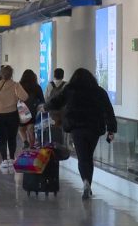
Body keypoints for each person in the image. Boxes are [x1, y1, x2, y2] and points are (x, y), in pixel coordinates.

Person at [46, 68, 117, 200]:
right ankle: (88, 183)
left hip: (77, 128)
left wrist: (45, 107)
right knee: (88, 156)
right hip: (94, 128)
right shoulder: (99, 91)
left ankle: (85, 182)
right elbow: (108, 110)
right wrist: (111, 129)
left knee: (82, 156)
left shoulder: (70, 90)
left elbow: (57, 101)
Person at [0, 65, 28, 172]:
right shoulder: (15, 85)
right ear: (11, 74)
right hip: (12, 115)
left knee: (2, 138)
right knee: (12, 137)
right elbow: (25, 97)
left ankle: (4, 160)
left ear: (1, 74)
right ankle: (12, 159)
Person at [17, 69, 45, 148]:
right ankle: (32, 146)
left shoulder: (19, 86)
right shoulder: (37, 87)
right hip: (33, 109)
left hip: (22, 109)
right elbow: (42, 100)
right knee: (30, 129)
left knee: (21, 128)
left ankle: (25, 141)